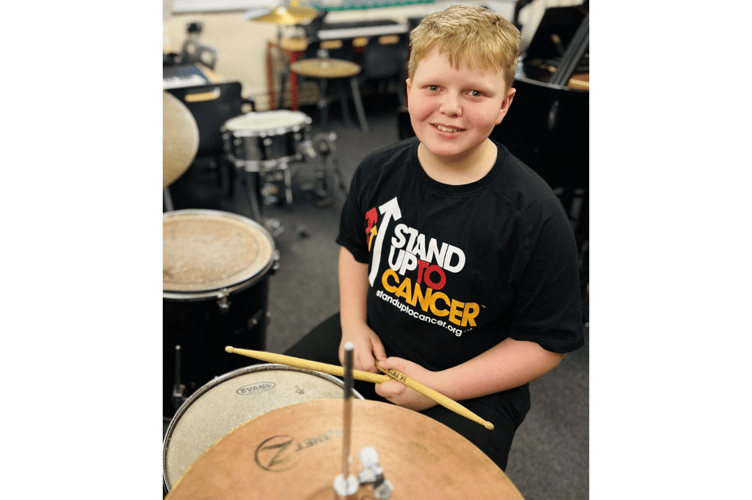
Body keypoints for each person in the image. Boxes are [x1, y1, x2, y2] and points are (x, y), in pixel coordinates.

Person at [285, 4, 584, 471]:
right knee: (269, 409)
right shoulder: (376, 170)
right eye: (432, 87)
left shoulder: (536, 216)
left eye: (475, 92)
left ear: (505, 103)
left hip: (472, 381)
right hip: (373, 338)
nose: (450, 107)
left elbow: (546, 344)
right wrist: (353, 327)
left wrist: (438, 386)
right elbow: (354, 250)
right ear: (408, 91)